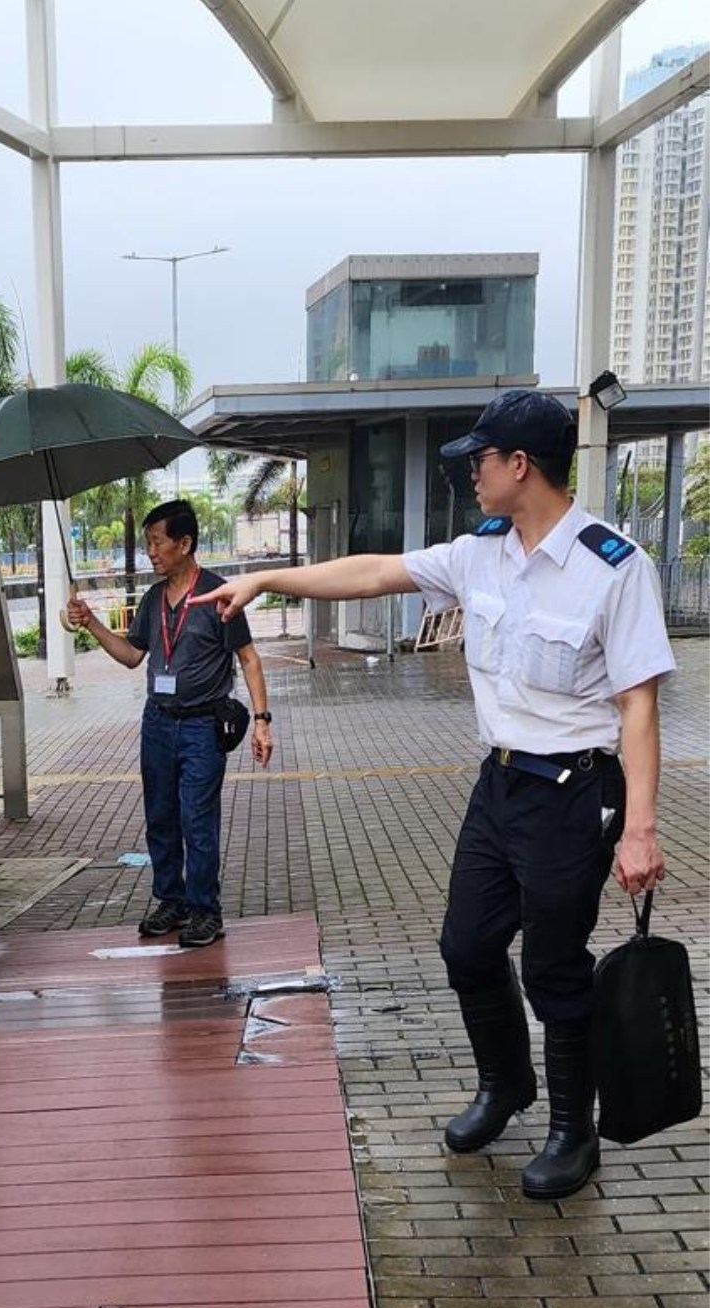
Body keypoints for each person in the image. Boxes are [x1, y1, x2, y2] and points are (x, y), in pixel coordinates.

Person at [194, 390, 673, 1199]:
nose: (471, 476)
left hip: (576, 790)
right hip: (500, 782)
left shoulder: (613, 566)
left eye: (480, 461)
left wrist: (641, 829)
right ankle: (504, 1083)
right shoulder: (483, 551)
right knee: (467, 946)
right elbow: (377, 571)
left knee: (554, 969)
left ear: (521, 466)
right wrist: (269, 579)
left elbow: (639, 705)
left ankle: (572, 1131)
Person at [66, 498, 274, 948]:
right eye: (148, 544)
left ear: (185, 542)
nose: (151, 552)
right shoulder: (153, 598)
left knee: (197, 819)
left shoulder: (219, 595)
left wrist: (261, 721)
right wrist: (93, 625)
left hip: (203, 727)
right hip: (157, 724)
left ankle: (205, 910)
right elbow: (131, 656)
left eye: (157, 543)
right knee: (161, 816)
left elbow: (250, 660)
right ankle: (171, 901)